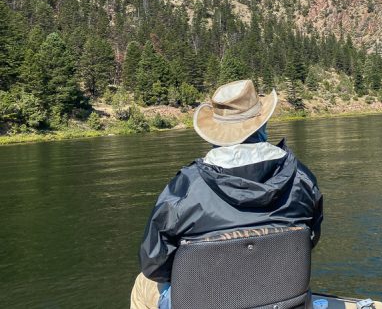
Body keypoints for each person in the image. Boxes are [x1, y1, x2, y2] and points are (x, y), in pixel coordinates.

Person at [130, 79, 324, 309]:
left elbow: (154, 265)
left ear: (216, 133)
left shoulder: (185, 188)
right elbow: (309, 240)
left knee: (143, 282)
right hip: (282, 301)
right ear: (262, 125)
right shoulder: (301, 178)